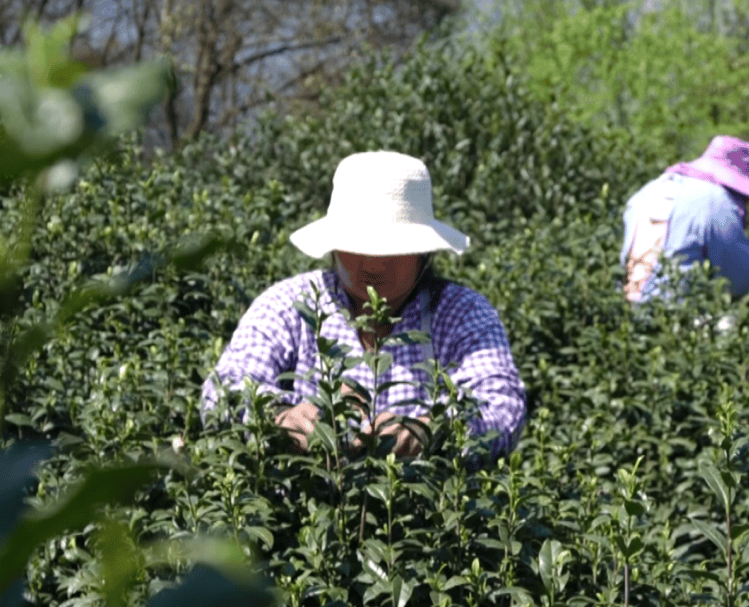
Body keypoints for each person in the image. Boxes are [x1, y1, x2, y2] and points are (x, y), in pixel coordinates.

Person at [201, 151, 526, 460]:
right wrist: (279, 417)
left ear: (423, 254)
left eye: (393, 248)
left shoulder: (462, 312)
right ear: (334, 247)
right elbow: (225, 386)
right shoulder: (290, 303)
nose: (373, 263)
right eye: (358, 246)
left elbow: (501, 405)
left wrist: (430, 431)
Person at [621, 135, 749, 304]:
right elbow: (742, 279)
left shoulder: (648, 191)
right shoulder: (715, 200)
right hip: (674, 314)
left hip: (629, 310)